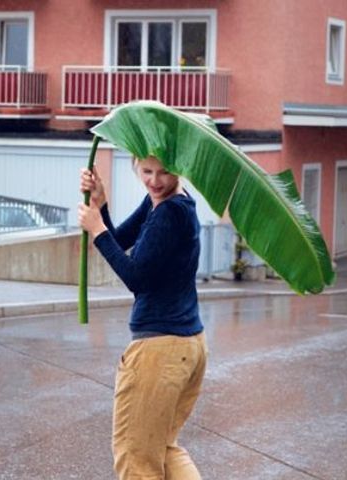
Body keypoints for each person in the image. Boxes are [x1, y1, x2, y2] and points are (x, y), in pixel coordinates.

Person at [78, 156, 207, 480]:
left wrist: (96, 230)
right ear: (135, 164)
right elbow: (122, 240)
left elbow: (136, 278)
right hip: (187, 345)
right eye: (146, 171)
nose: (154, 180)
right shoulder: (164, 203)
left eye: (164, 171)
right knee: (163, 449)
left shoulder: (169, 213)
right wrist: (101, 204)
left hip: (159, 351)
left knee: (135, 459)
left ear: (180, 167)